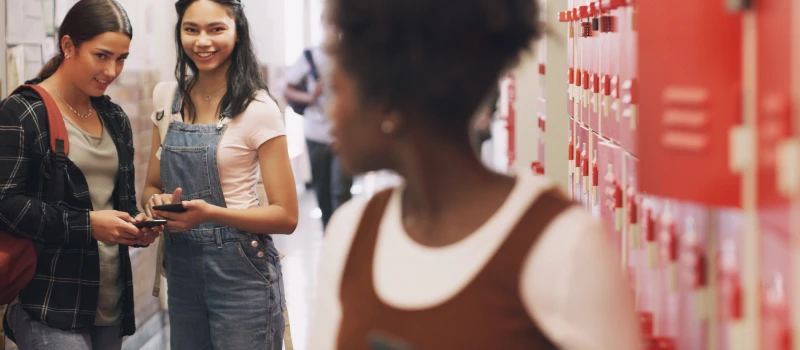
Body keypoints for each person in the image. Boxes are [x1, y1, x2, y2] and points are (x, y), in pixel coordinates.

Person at [310, 0, 641, 349]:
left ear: (389, 102)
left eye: (338, 91)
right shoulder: (351, 234)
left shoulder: (564, 248)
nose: (331, 114)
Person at [0, 1, 160, 349]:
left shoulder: (114, 117)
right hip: (49, 303)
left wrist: (138, 227)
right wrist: (89, 225)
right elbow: (6, 204)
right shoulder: (23, 111)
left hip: (110, 302)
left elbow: (120, 202)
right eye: (101, 56)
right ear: (68, 46)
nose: (112, 70)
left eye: (121, 58)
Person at [140, 0, 298, 348]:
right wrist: (157, 202)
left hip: (241, 271)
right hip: (181, 269)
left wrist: (210, 215)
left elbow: (286, 216)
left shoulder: (258, 108)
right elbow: (151, 185)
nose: (203, 41)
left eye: (216, 29)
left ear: (237, 31)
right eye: (191, 29)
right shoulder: (167, 98)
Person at [285, 44, 352, 229]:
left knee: (341, 191)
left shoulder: (351, 53)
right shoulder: (309, 57)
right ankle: (329, 235)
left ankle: (344, 238)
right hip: (315, 134)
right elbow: (287, 88)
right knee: (322, 191)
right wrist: (310, 96)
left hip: (343, 135)